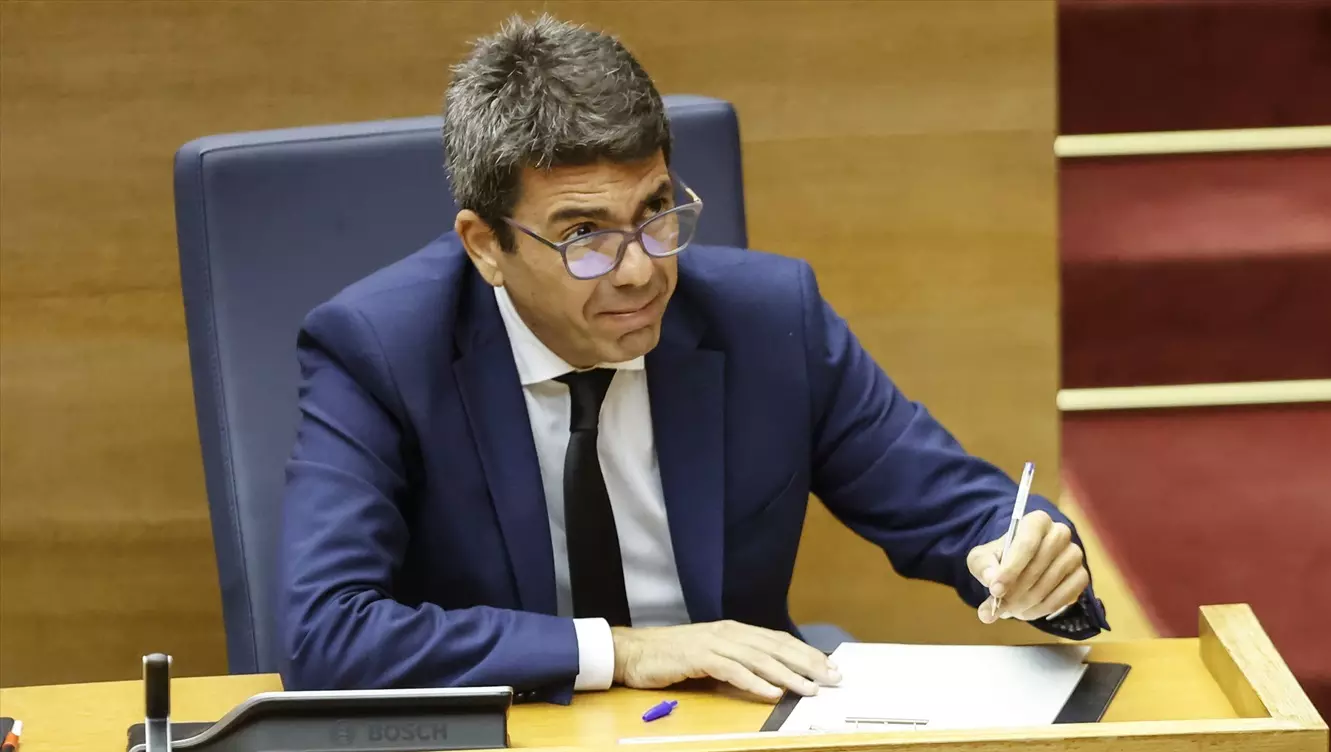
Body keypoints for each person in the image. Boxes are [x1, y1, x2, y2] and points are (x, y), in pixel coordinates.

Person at [281, 14, 1105, 704]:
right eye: (582, 236)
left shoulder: (767, 319)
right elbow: (327, 632)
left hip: (732, 745)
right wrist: (622, 651)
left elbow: (953, 507)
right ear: (485, 246)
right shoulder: (380, 351)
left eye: (654, 211)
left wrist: (1028, 559)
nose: (640, 267)